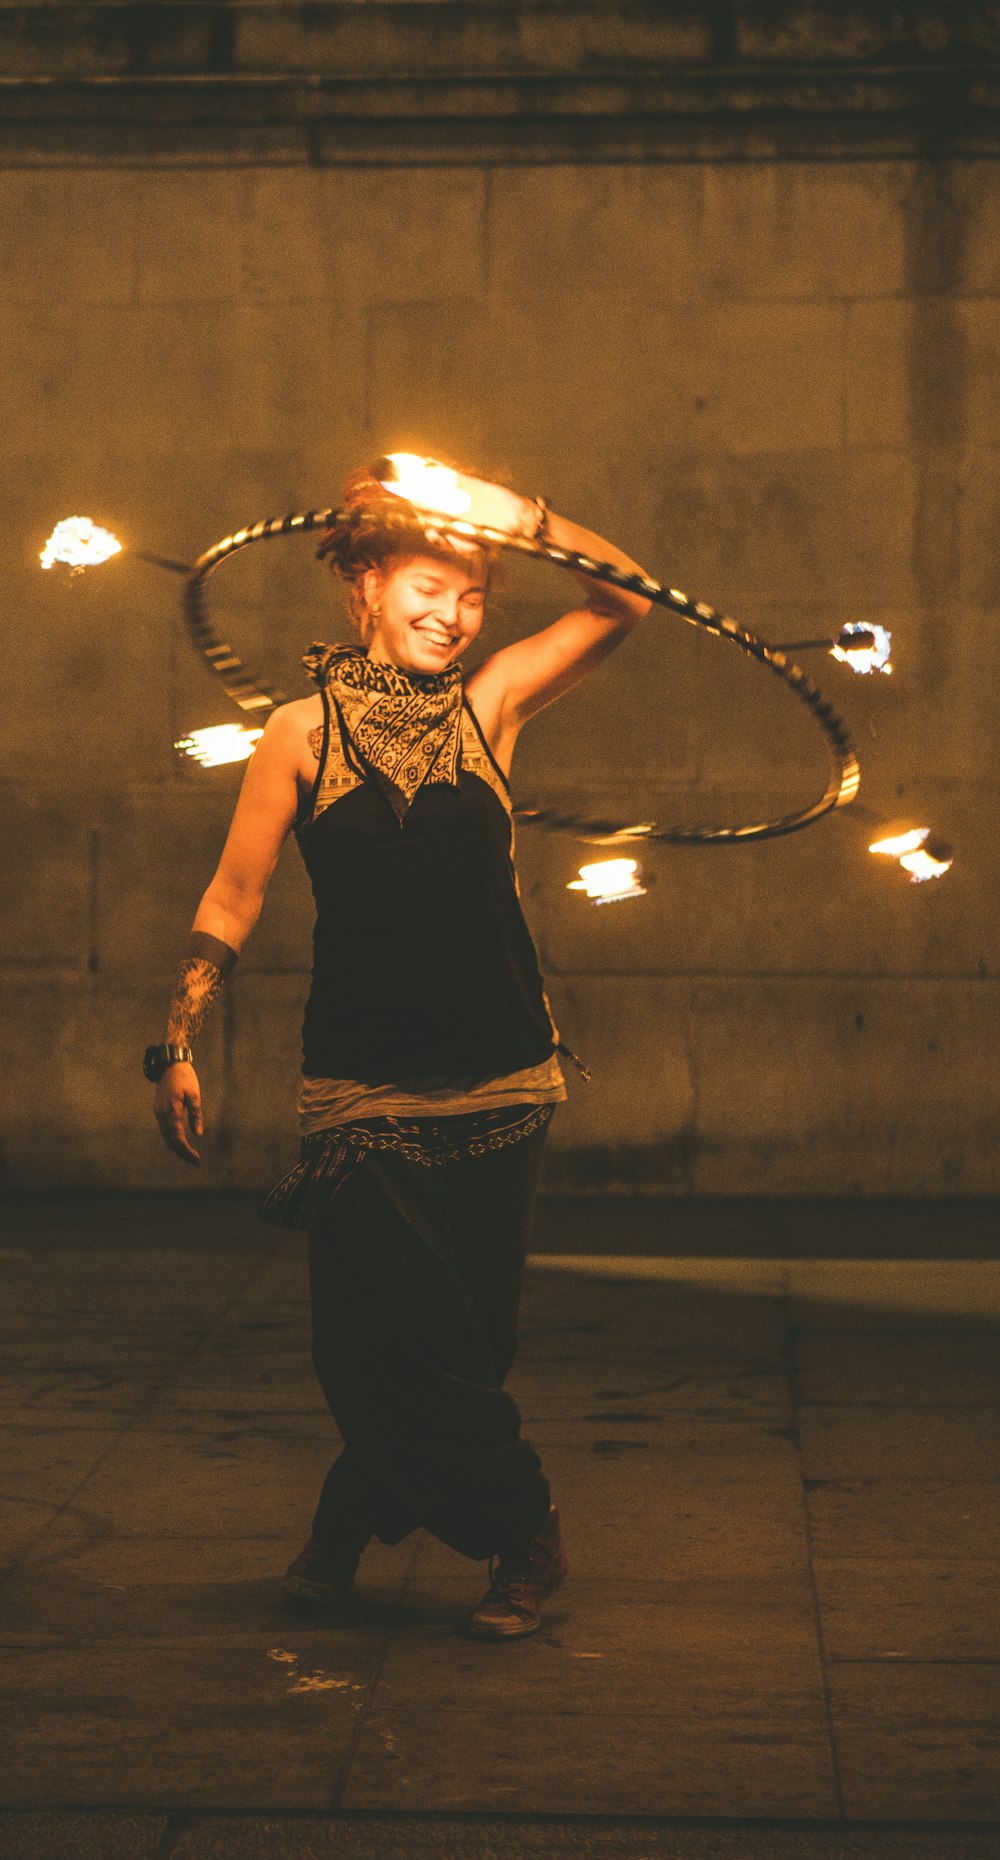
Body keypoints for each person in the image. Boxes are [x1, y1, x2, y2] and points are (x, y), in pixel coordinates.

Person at [148, 460, 651, 1639]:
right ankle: (524, 1532)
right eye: (432, 586)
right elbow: (232, 896)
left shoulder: (492, 707)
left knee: (462, 1347)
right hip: (362, 1086)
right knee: (370, 1341)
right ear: (366, 588)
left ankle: (343, 1521)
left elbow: (627, 598)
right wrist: (175, 1040)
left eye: (475, 596)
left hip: (504, 1075)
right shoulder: (295, 734)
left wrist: (516, 519)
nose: (455, 614)